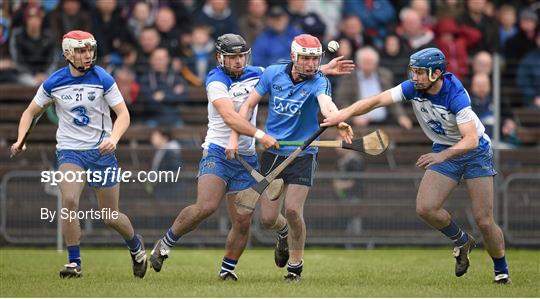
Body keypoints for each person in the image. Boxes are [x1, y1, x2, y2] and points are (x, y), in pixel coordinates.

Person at [149, 33, 354, 281]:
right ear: (220, 58)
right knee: (206, 206)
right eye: (232, 57)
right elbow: (230, 116)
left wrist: (323, 72)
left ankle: (227, 271)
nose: (238, 61)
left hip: (247, 158)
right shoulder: (215, 80)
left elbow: (292, 72)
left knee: (244, 220)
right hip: (219, 150)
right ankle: (165, 243)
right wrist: (258, 135)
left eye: (241, 56)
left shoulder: (257, 72)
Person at [322, 48, 511, 285]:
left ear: (436, 73)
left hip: (475, 152)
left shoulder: (455, 95)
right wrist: (342, 114)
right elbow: (376, 101)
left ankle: (501, 272)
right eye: (414, 71)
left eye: (421, 72)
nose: (415, 77)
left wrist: (442, 157)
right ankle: (462, 240)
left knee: (484, 220)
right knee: (426, 208)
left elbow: (471, 140)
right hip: (444, 149)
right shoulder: (413, 88)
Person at [10, 30, 147, 279]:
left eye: (89, 50)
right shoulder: (54, 83)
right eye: (81, 51)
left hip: (101, 153)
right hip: (70, 152)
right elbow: (30, 112)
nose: (87, 55)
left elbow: (123, 115)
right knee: (70, 201)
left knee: (110, 216)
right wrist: (21, 139)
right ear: (67, 54)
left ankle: (136, 246)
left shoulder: (103, 78)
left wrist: (113, 139)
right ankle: (74, 262)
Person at [230, 34, 354, 281]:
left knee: (294, 210)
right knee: (267, 220)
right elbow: (247, 106)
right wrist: (235, 136)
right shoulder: (273, 74)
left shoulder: (320, 81)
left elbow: (326, 104)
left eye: (315, 59)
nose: (311, 64)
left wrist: (338, 120)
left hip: (304, 153)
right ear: (293, 57)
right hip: (273, 152)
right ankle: (283, 232)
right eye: (306, 58)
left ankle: (295, 267)